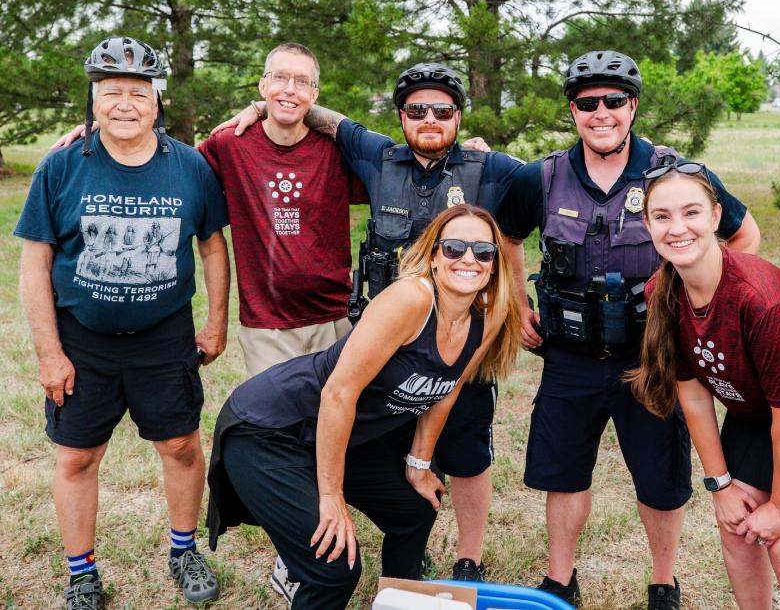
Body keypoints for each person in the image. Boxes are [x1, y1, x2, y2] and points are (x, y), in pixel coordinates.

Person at [217, 61, 524, 586]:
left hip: (457, 339)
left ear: (459, 115)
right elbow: (321, 118)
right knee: (377, 450)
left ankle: (466, 558)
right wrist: (263, 105)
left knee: (467, 451)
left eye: (443, 110)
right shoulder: (376, 155)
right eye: (417, 110)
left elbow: (565, 173)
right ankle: (315, 538)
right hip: (387, 347)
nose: (430, 119)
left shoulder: (492, 169)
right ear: (402, 117)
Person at [495, 50, 760, 609]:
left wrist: (702, 310)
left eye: (614, 101)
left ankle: (663, 580)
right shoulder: (541, 177)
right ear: (573, 111)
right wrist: (517, 305)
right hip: (569, 354)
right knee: (563, 474)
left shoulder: (675, 172)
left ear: (632, 106)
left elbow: (743, 236)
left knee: (660, 480)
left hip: (653, 356)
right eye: (588, 103)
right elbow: (505, 236)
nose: (601, 113)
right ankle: (559, 579)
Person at [206, 205, 520, 609]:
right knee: (334, 568)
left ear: (495, 263)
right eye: (455, 247)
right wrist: (331, 496)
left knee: (415, 507)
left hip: (339, 434)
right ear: (434, 256)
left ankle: (398, 602)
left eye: (483, 251)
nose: (468, 259)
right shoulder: (409, 300)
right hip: (270, 429)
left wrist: (420, 464)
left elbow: (449, 388)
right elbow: (338, 394)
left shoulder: (487, 315)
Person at [14, 37, 230, 609]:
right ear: (94, 98)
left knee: (181, 444)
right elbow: (34, 261)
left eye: (138, 92)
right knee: (77, 456)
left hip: (165, 337)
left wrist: (216, 323)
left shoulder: (188, 166)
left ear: (156, 101)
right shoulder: (63, 165)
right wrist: (48, 354)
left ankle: (183, 550)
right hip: (82, 340)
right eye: (111, 92)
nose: (125, 104)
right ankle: (81, 573)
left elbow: (212, 245)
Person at [625, 165, 780, 609]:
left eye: (691, 212)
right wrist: (721, 485)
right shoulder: (661, 291)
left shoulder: (762, 301)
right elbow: (694, 392)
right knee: (738, 527)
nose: (678, 228)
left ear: (716, 215)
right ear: (647, 225)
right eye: (662, 217)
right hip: (764, 407)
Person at [53, 42, 367, 379]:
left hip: (336, 315)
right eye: (279, 78)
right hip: (267, 322)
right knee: (279, 422)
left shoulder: (338, 150)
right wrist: (113, 128)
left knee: (339, 417)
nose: (290, 89)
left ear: (315, 92)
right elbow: (169, 164)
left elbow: (385, 155)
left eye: (302, 82)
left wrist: (265, 107)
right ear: (263, 84)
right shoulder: (231, 144)